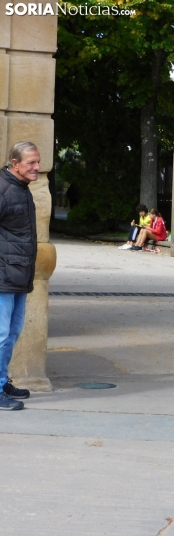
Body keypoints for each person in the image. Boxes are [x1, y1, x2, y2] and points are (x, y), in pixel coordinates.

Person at [0, 141, 41, 410]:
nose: (38, 167)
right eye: (31, 163)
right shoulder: (3, 190)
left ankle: (2, 381)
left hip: (18, 275)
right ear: (15, 164)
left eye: (38, 162)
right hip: (3, 275)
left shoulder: (21, 189)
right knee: (1, 333)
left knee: (12, 332)